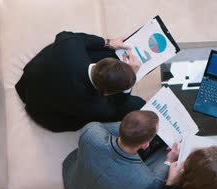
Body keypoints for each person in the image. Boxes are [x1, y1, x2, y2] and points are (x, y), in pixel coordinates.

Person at [62, 110, 179, 189]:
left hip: (72, 180)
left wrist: (134, 127)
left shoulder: (90, 132)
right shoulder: (143, 182)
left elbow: (109, 128)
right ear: (145, 144)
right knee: (167, 156)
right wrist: (169, 161)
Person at [15, 31, 146, 132]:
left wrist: (108, 42)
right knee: (137, 105)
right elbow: (115, 107)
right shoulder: (95, 106)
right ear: (105, 94)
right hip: (43, 111)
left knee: (108, 49)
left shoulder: (70, 45)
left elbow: (64, 34)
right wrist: (128, 84)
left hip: (30, 81)